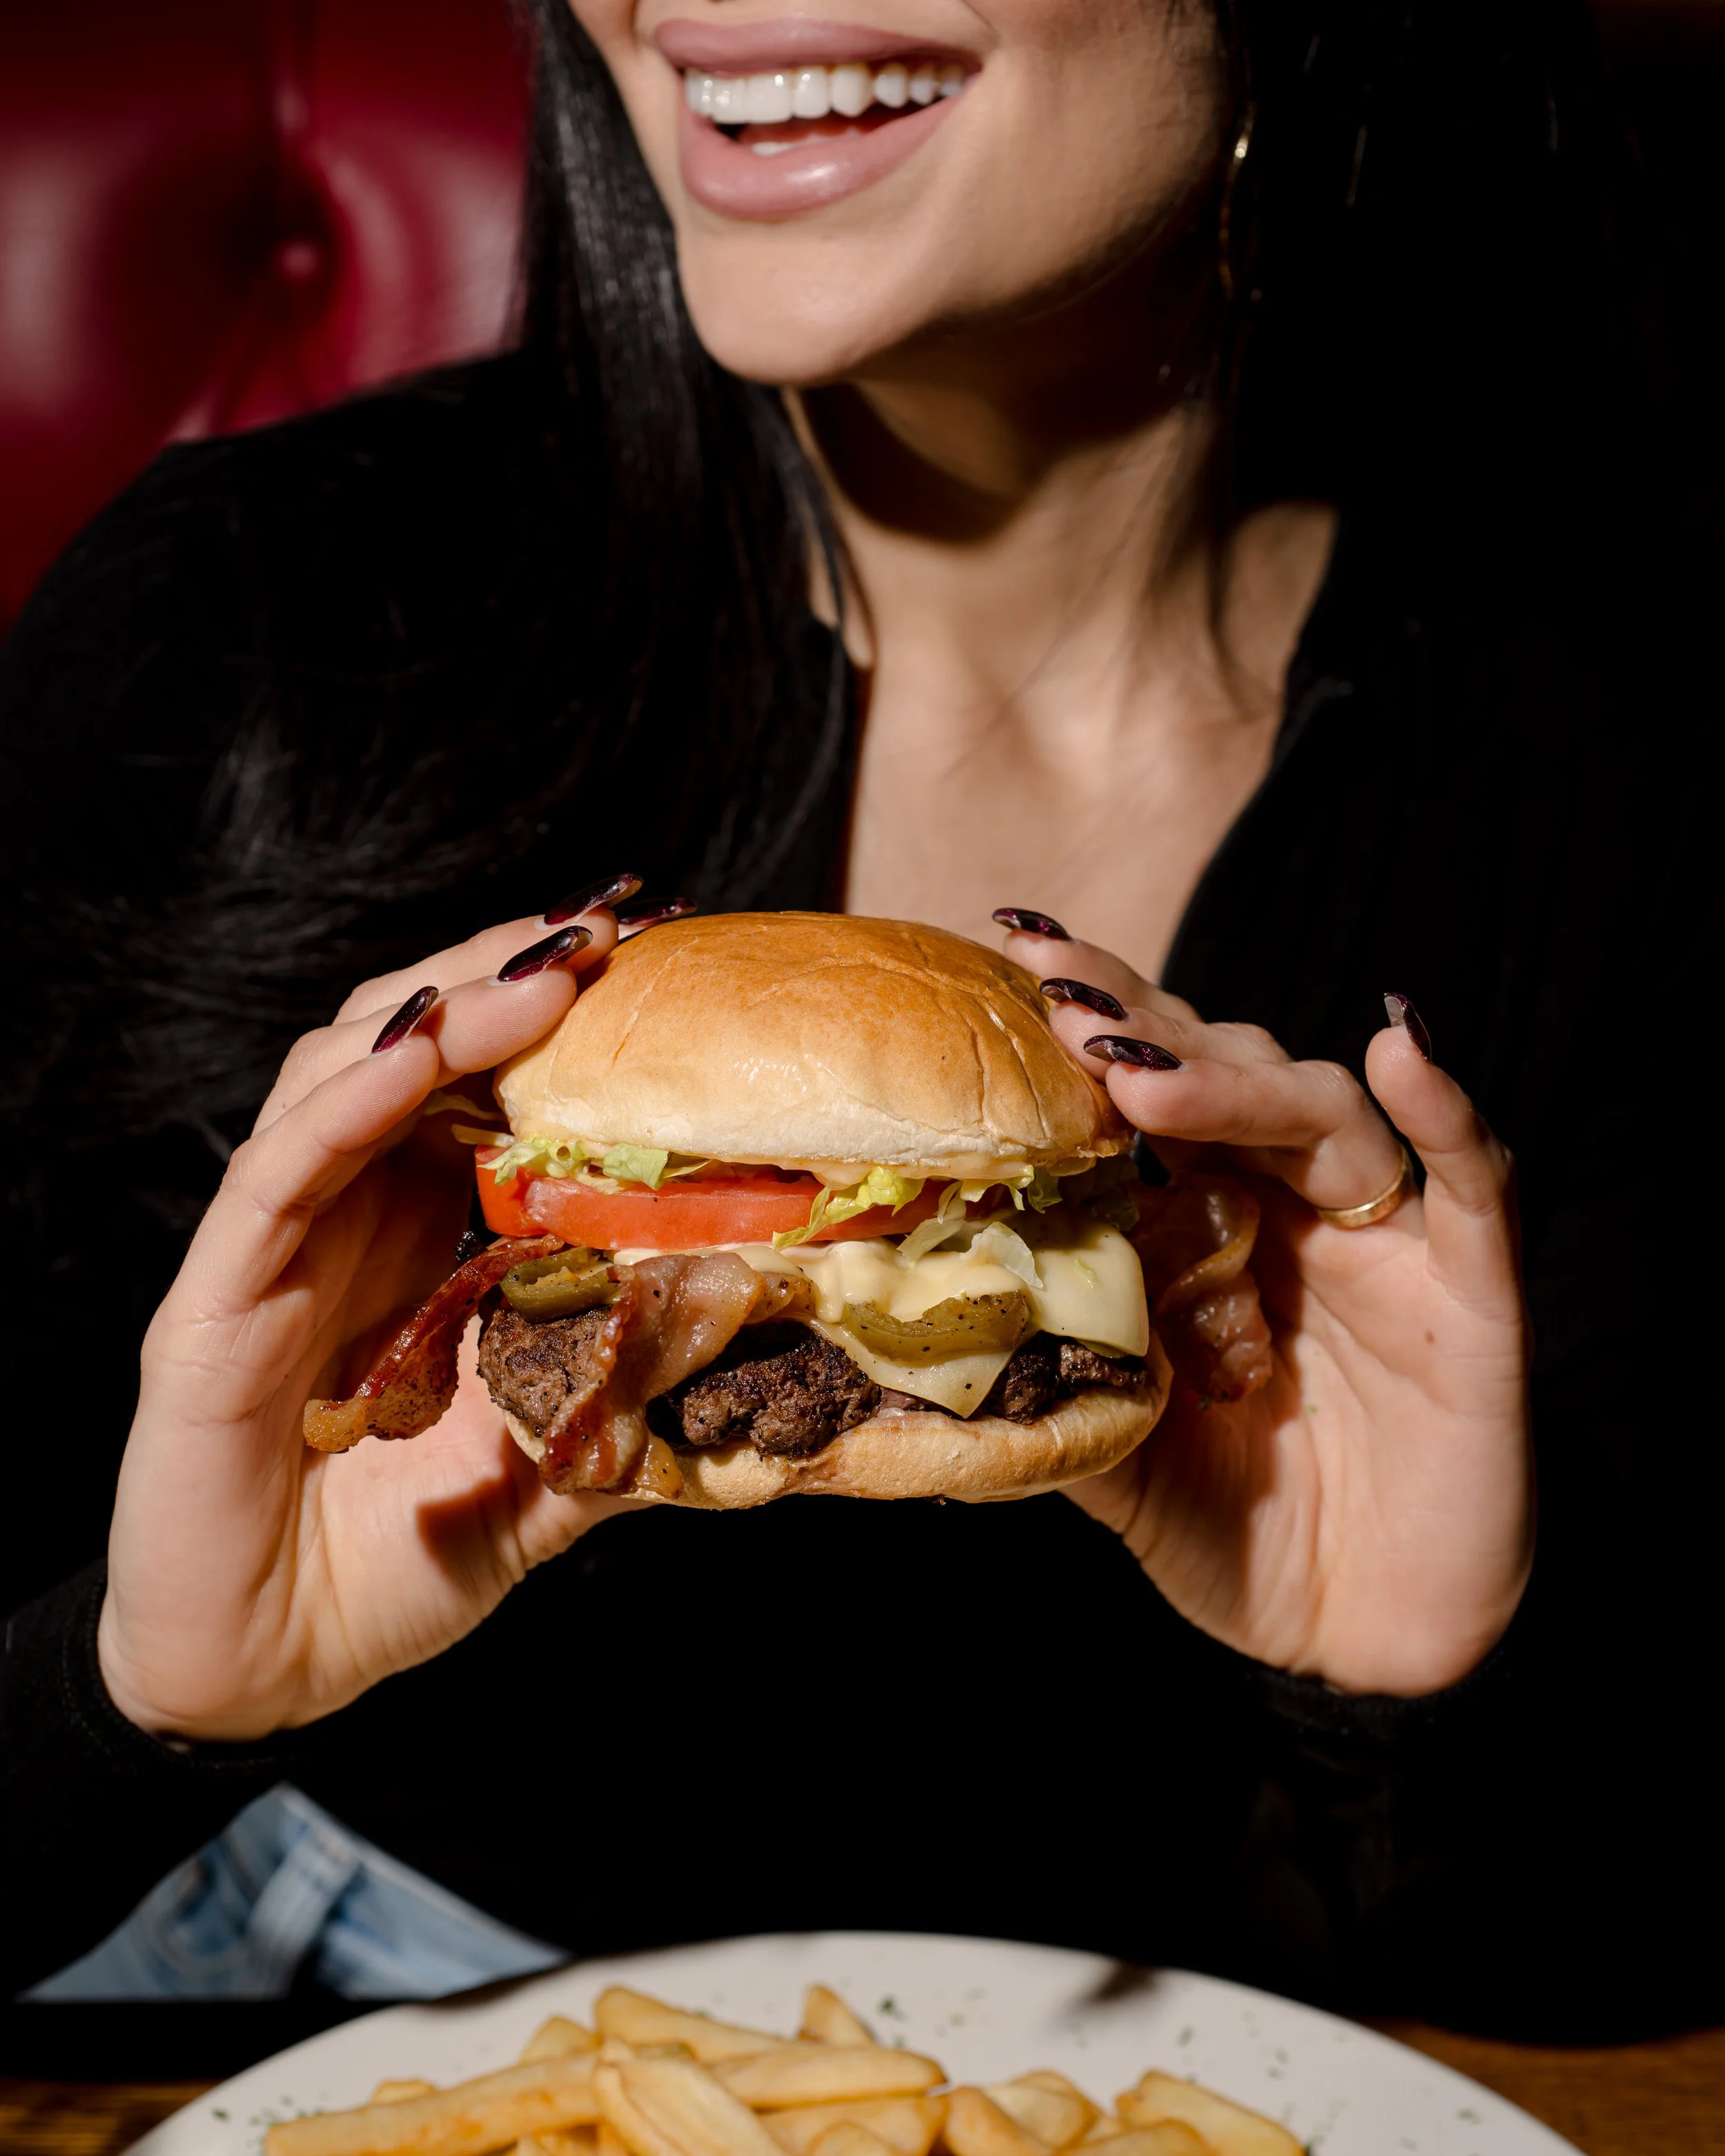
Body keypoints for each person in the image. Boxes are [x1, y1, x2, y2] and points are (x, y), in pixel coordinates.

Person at [1, 0, 1720, 2037]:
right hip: (304, 1987)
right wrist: (135, 1690)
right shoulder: (240, 639)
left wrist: (1428, 1694)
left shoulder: (1624, 795)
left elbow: (1609, 1994)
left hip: (1185, 2038)